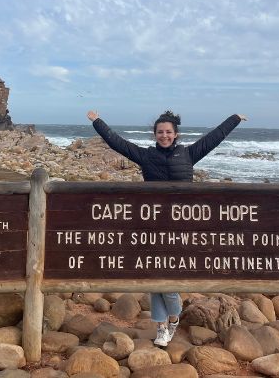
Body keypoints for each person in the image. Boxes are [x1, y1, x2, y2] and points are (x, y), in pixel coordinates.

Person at [86, 109, 247, 346]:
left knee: (169, 279)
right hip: (152, 227)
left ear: (176, 134)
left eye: (168, 132)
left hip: (181, 227)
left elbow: (214, 137)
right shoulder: (146, 156)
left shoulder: (189, 154)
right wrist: (97, 122)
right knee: (154, 278)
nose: (164, 135)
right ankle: (162, 326)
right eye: (160, 132)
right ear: (155, 135)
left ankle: (173, 318)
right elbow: (116, 142)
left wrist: (234, 119)